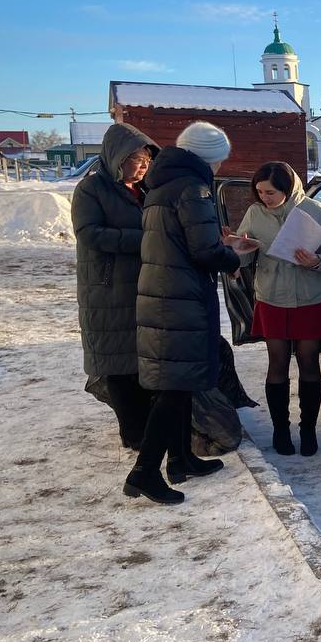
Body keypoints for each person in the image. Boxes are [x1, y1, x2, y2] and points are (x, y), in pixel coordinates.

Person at [126, 121, 242, 504]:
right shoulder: (193, 189)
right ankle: (144, 472)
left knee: (181, 383)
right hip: (181, 298)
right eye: (219, 161)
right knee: (174, 390)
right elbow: (204, 251)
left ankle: (180, 459)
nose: (220, 168)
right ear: (206, 158)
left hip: (165, 293)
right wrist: (232, 257)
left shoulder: (162, 185)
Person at [230, 161, 321, 457]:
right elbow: (240, 259)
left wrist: (317, 262)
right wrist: (238, 250)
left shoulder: (313, 210)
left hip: (309, 297)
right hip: (272, 297)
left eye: (269, 192)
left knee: (309, 361)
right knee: (277, 363)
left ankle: (309, 430)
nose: (263, 198)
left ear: (287, 188)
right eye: (259, 192)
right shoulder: (254, 213)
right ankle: (281, 430)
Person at [71, 123, 159, 449]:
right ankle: (133, 435)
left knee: (140, 360)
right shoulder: (92, 190)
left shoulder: (145, 192)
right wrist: (145, 240)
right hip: (107, 289)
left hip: (141, 285)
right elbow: (89, 234)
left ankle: (147, 428)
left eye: (147, 161)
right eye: (137, 159)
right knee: (118, 365)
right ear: (118, 157)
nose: (143, 167)